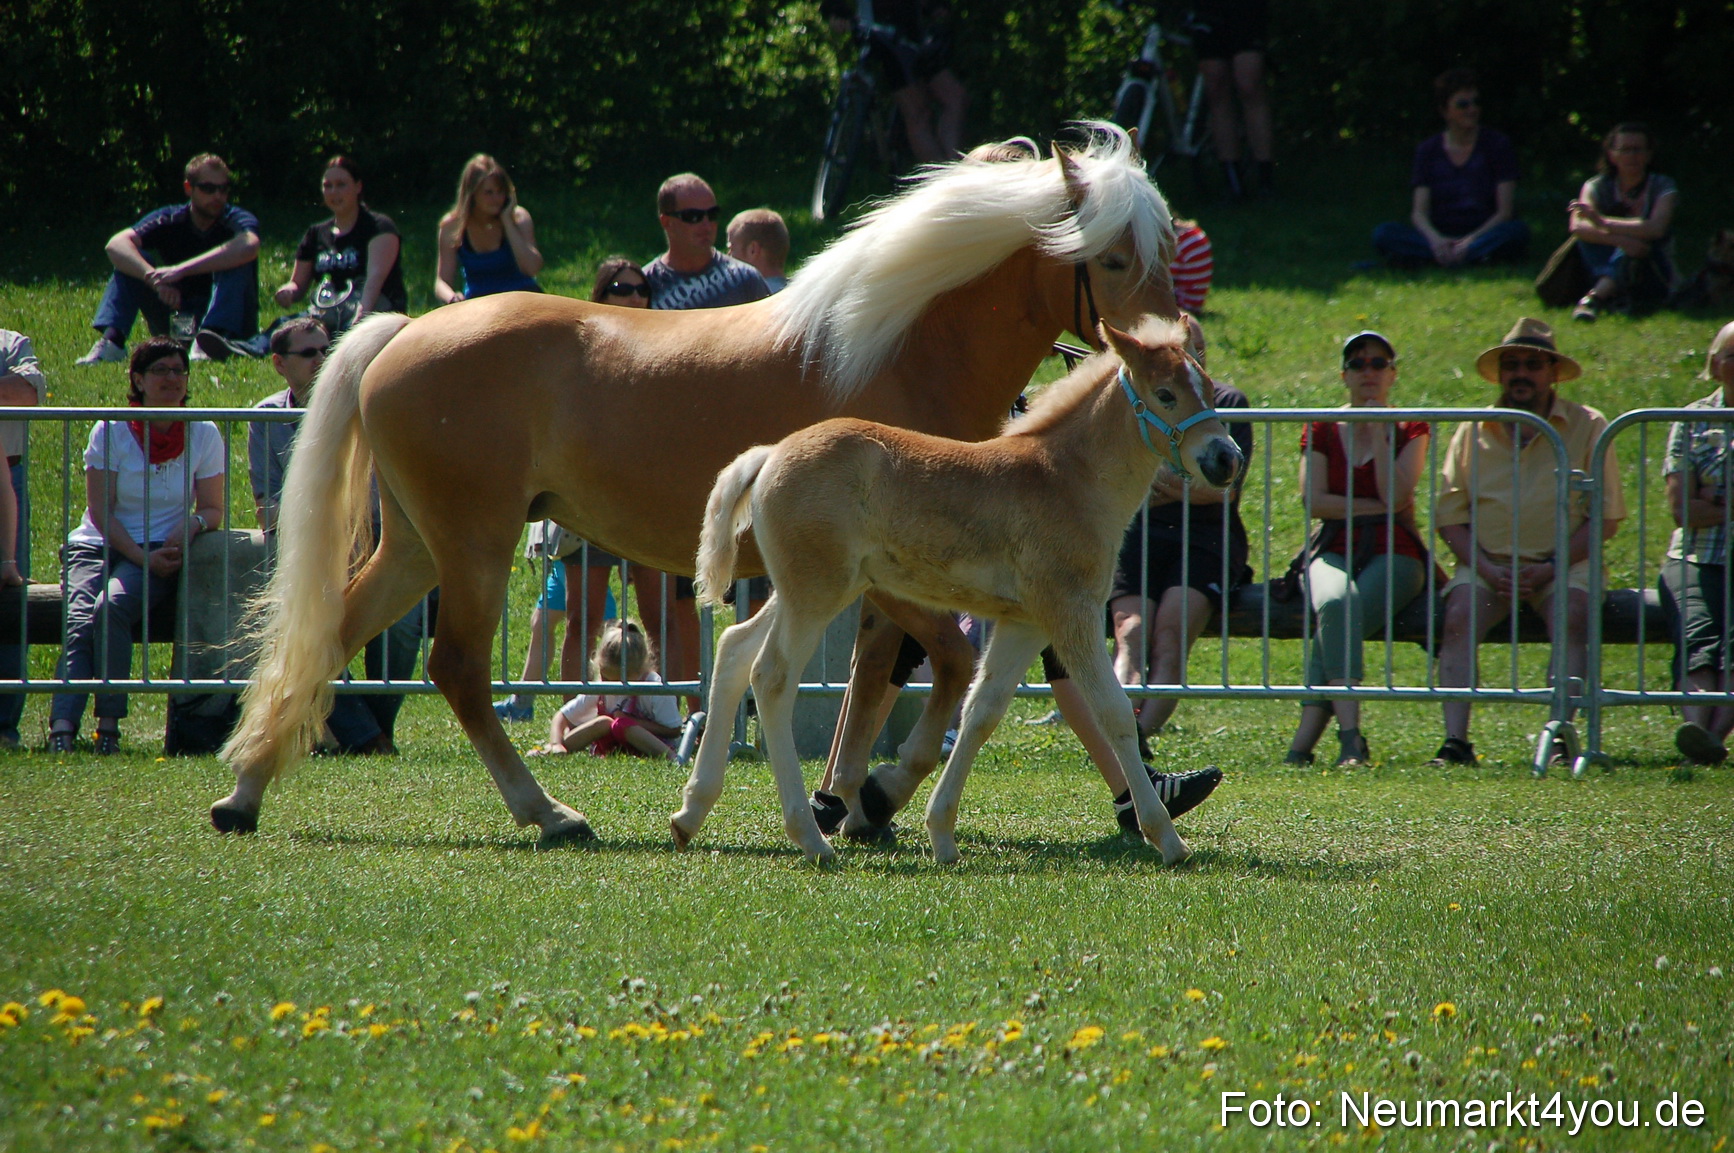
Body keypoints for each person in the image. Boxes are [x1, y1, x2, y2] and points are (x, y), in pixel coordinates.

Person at [1430, 318, 1625, 765]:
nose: (1521, 373)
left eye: (1533, 365)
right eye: (1511, 364)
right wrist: (1486, 568)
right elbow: (1449, 518)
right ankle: (1455, 744)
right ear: (1499, 374)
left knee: (1573, 613)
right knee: (1458, 615)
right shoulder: (1471, 429)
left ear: (1553, 372)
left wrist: (1552, 568)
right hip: (1488, 564)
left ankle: (1561, 737)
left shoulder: (1590, 425)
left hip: (1563, 565)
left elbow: (1605, 519)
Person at [249, 317, 418, 754]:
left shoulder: (372, 403)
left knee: (402, 628)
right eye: (309, 353)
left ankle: (376, 729)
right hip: (312, 551)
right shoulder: (266, 417)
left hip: (379, 543)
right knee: (313, 626)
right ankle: (367, 738)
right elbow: (266, 504)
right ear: (279, 364)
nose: (322, 360)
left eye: (327, 349)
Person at [49, 338, 224, 754]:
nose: (172, 378)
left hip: (160, 550)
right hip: (100, 543)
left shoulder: (204, 431)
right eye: (161, 370)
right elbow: (100, 511)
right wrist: (138, 555)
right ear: (138, 380)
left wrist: (192, 525)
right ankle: (62, 728)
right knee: (79, 623)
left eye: (179, 370)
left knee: (110, 608)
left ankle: (107, 728)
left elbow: (214, 508)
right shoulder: (109, 429)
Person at [1283, 332, 1432, 766]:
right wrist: (1379, 507)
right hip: (1334, 544)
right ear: (1344, 375)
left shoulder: (1410, 426)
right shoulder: (1324, 425)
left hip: (1397, 551)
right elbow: (1314, 500)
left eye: (1379, 363)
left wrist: (1381, 437)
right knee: (1336, 600)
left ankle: (1303, 746)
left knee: (1338, 620)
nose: (1369, 371)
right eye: (1358, 363)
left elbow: (1398, 493)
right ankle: (1350, 738)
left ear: (1393, 374)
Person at [76, 153, 261, 366]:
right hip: (177, 311)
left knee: (235, 260)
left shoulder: (236, 219)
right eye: (208, 189)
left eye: (224, 188)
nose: (218, 196)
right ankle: (112, 343)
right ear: (189, 188)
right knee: (133, 261)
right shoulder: (170, 218)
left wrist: (180, 270)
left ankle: (211, 339)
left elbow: (250, 245)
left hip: (230, 321)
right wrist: (154, 280)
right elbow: (116, 245)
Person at [1659, 321, 1734, 764]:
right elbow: (1682, 510)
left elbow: (1699, 504)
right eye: (1728, 356)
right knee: (1699, 638)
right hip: (1694, 557)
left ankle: (1711, 740)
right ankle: (1699, 734)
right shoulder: (1690, 420)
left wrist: (1714, 500)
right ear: (1715, 364)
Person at [1372, 68, 1529, 268]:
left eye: (1476, 103)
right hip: (1441, 231)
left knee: (1517, 232)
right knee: (1384, 233)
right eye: (1463, 104)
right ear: (1445, 111)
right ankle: (1458, 256)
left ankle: (1446, 257)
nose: (1472, 109)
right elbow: (1419, 213)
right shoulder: (1428, 150)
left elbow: (1504, 212)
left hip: (1484, 231)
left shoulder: (1497, 145)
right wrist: (1436, 240)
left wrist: (1470, 241)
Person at [822, 1, 968, 164]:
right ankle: (942, 178)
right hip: (881, 33)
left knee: (955, 97)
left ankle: (952, 170)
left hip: (911, 27)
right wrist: (835, 10)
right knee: (918, 114)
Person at [274, 156, 408, 333]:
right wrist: (288, 291)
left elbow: (375, 279)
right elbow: (298, 285)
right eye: (327, 186)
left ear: (358, 186)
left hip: (372, 315)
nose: (333, 192)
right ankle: (237, 347)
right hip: (327, 313)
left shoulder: (380, 227)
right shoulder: (316, 233)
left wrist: (361, 316)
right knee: (281, 329)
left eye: (341, 184)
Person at [1567, 122, 1679, 322]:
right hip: (1607, 256)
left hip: (1651, 265)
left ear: (1649, 154)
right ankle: (1611, 292)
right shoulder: (1596, 186)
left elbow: (1656, 228)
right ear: (1612, 154)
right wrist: (1623, 241)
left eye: (1638, 150)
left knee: (1641, 244)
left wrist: (1602, 222)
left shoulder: (1663, 186)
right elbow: (1578, 225)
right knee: (1588, 239)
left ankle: (1594, 299)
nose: (1632, 156)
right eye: (1625, 150)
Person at [527, 619, 682, 760]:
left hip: (654, 745)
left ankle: (674, 759)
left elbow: (673, 730)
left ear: (639, 672)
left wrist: (633, 722)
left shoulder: (654, 686)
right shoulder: (602, 685)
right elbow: (562, 716)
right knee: (604, 722)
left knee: (621, 724)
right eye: (605, 677)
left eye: (620, 681)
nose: (611, 685)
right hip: (615, 747)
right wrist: (556, 741)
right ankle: (554, 751)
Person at [0, 331, 44, 749]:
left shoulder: (11, 343)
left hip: (6, 473)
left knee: (9, 598)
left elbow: (28, 391)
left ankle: (3, 726)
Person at [645, 174, 770, 310]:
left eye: (712, 214)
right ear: (667, 222)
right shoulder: (642, 288)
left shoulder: (746, 280)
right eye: (693, 216)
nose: (707, 225)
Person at [434, 154, 544, 304]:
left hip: (521, 300)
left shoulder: (519, 218)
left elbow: (532, 268)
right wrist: (452, 298)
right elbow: (441, 282)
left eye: (501, 192)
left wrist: (507, 222)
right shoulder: (452, 225)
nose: (497, 199)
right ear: (472, 194)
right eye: (489, 193)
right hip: (479, 304)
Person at [1193, 0, 1275, 199]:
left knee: (1249, 84)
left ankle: (1265, 179)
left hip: (1245, 10)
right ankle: (1232, 180)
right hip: (1209, 10)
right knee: (1215, 85)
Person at [726, 209, 791, 293]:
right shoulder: (803, 297)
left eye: (731, 249)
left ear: (753, 250)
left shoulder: (743, 301)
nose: (728, 256)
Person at [1170, 219, 1213, 314]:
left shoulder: (1176, 241)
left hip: (1183, 304)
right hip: (1194, 300)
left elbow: (1162, 280)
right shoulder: (1192, 232)